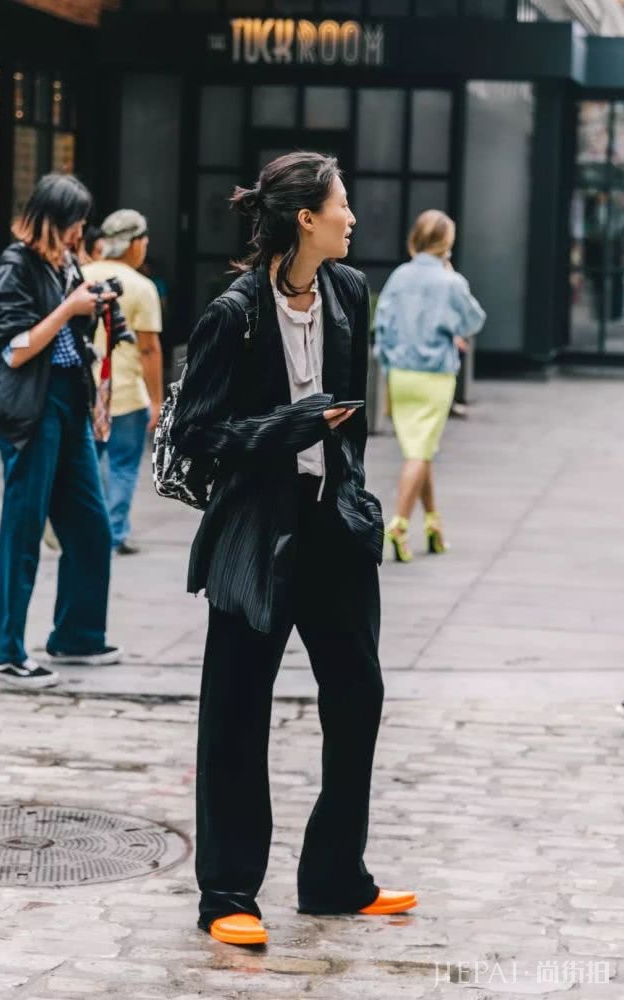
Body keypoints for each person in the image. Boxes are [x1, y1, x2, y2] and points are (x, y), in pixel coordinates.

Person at [171, 151, 418, 947]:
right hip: (258, 531)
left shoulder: (348, 289)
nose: (353, 217)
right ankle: (228, 893)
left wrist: (356, 499)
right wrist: (293, 425)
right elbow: (195, 434)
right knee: (237, 710)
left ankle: (334, 879)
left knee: (359, 697)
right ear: (306, 218)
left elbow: (356, 415)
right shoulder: (233, 312)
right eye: (342, 204)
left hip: (332, 526)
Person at [0, 173, 121, 689]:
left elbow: (71, 333)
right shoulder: (15, 267)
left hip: (69, 401)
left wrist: (97, 308)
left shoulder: (65, 262)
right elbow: (13, 348)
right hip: (30, 409)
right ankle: (6, 652)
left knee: (91, 527)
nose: (80, 231)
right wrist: (69, 309)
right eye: (76, 222)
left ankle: (77, 635)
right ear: (53, 220)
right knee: (23, 532)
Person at [374, 210, 486, 563]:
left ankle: (434, 526)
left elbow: (382, 324)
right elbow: (474, 320)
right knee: (420, 452)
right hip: (435, 375)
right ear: (446, 243)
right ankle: (400, 523)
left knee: (421, 450)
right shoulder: (450, 282)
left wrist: (389, 362)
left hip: (400, 375)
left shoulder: (399, 276)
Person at [83, 210, 163, 555]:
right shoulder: (141, 287)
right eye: (143, 241)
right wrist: (157, 400)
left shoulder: (80, 276)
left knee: (90, 462)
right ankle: (112, 534)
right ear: (133, 244)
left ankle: (92, 529)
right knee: (123, 466)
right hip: (127, 393)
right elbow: (148, 349)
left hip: (82, 391)